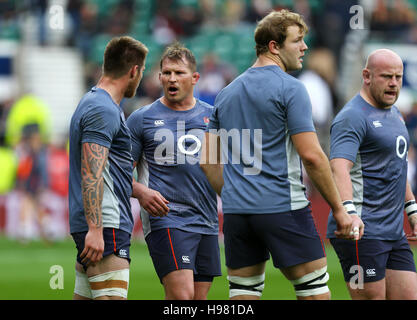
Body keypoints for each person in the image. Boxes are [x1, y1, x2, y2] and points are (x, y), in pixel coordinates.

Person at [200, 9, 363, 300]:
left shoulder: (226, 93)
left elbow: (207, 160)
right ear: (274, 46)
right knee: (314, 290)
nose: (305, 47)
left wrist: (237, 194)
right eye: (297, 41)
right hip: (282, 206)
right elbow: (311, 156)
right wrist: (340, 209)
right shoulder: (291, 88)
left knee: (243, 294)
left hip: (237, 213)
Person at [126, 43, 221, 300]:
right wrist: (141, 192)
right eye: (166, 73)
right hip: (168, 218)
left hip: (206, 219)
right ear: (159, 77)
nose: (172, 78)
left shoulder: (213, 116)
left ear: (195, 78)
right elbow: (116, 173)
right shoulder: (141, 118)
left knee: (198, 300)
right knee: (182, 297)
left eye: (179, 73)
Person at [327, 48, 417, 300]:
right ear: (366, 76)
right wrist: (349, 212)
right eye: (386, 76)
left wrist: (412, 210)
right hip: (361, 231)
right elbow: (338, 166)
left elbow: (398, 166)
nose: (393, 83)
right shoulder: (352, 117)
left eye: (398, 77)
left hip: (393, 231)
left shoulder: (395, 113)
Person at [68, 36, 148, 300]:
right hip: (106, 225)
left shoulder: (93, 102)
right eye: (142, 71)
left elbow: (106, 171)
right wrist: (95, 229)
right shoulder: (103, 109)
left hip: (98, 224)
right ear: (134, 71)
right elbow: (92, 172)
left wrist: (139, 191)